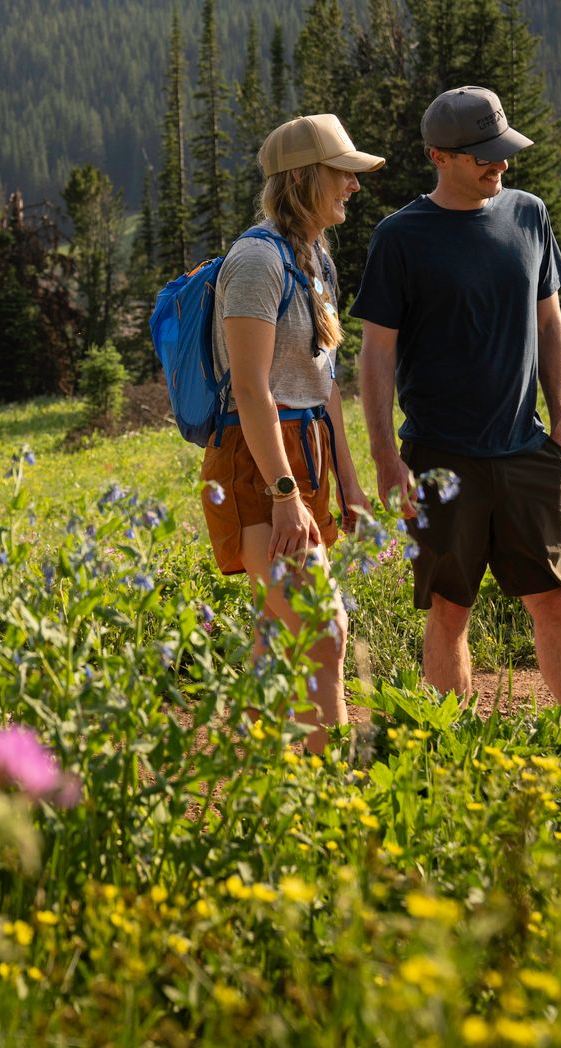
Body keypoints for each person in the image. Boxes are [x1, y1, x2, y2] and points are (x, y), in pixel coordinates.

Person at [353, 85, 561, 720]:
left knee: (554, 599)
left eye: (503, 150)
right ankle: (450, 746)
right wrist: (384, 456)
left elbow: (550, 324)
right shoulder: (400, 237)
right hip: (439, 457)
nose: (501, 164)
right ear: (439, 155)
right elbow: (375, 354)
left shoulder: (529, 214)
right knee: (450, 609)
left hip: (526, 450)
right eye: (483, 154)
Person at [201, 112, 380, 753]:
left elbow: (324, 380)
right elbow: (250, 389)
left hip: (306, 456)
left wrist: (350, 484)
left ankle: (254, 774)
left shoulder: (315, 258)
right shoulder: (256, 261)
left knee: (276, 632)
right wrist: (282, 493)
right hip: (259, 463)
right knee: (322, 629)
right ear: (304, 179)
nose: (354, 187)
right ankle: (325, 785)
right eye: (343, 174)